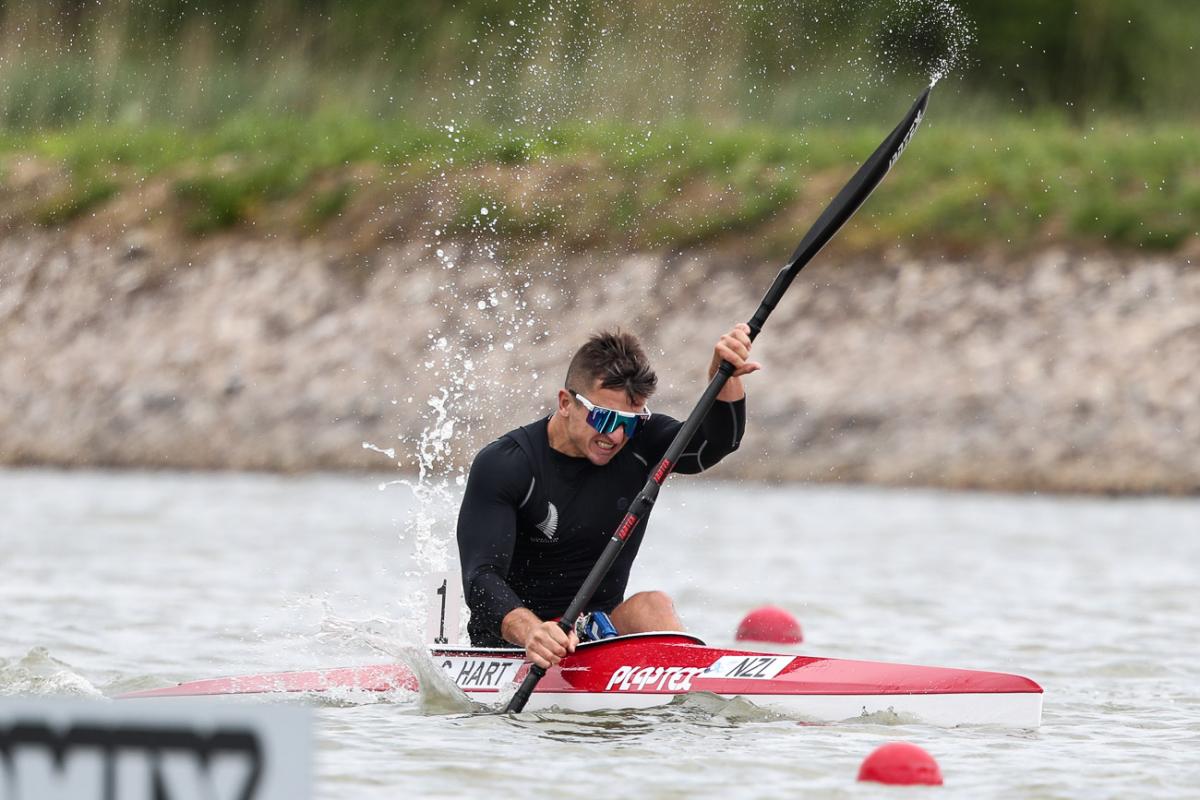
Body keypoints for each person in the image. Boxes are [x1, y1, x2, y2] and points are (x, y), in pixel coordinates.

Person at [456, 324, 758, 669]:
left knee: (652, 606)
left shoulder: (642, 442)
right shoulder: (507, 464)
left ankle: (699, 694)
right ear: (565, 402)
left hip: (595, 637)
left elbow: (714, 445)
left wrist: (725, 375)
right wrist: (532, 632)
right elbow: (481, 577)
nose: (615, 436)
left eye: (629, 422)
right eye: (603, 417)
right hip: (515, 648)